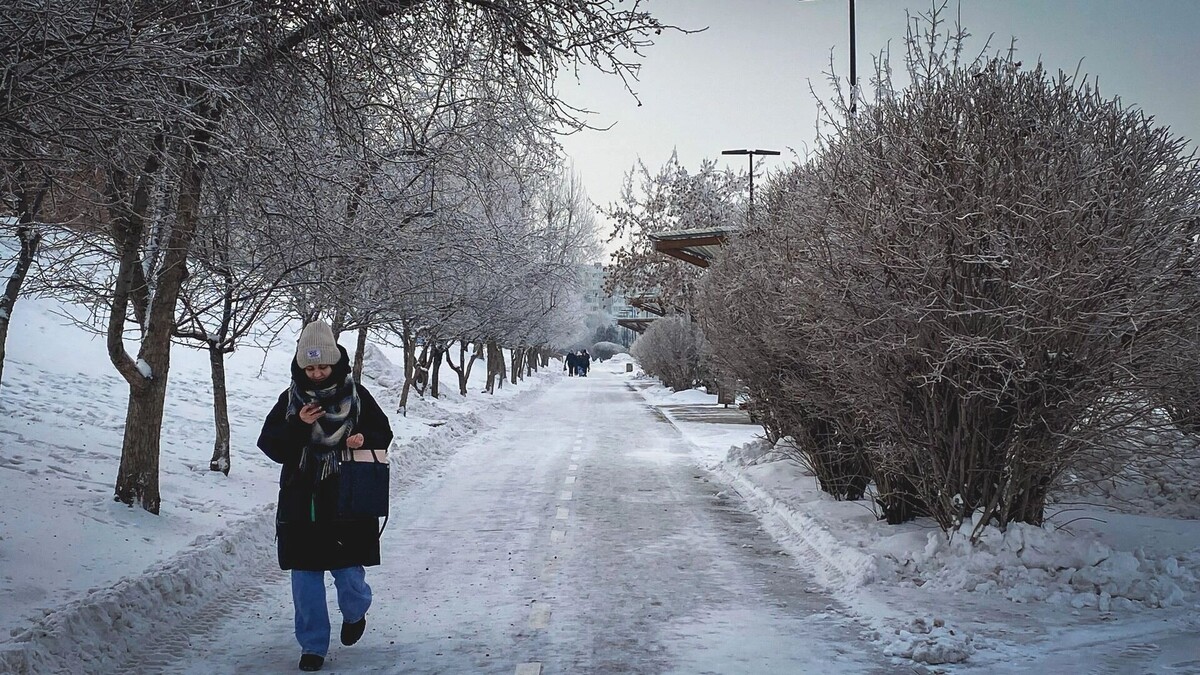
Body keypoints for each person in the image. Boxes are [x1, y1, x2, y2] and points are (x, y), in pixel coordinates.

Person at [258, 320, 394, 672]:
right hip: (301, 501)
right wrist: (299, 425)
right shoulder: (290, 400)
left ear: (335, 363)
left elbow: (383, 432)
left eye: (323, 366)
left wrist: (363, 439)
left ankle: (356, 610)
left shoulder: (357, 396)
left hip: (346, 498)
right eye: (310, 367)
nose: (317, 374)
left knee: (349, 573)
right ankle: (313, 646)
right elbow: (271, 446)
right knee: (305, 580)